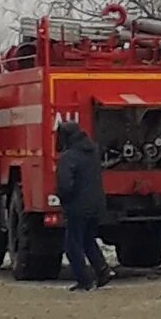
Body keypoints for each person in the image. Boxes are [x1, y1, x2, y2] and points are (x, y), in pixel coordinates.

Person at [56, 121, 113, 292]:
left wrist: (64, 199)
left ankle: (84, 280)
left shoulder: (68, 157)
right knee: (88, 240)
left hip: (77, 206)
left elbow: (65, 184)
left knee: (73, 245)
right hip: (96, 204)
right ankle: (102, 271)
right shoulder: (93, 152)